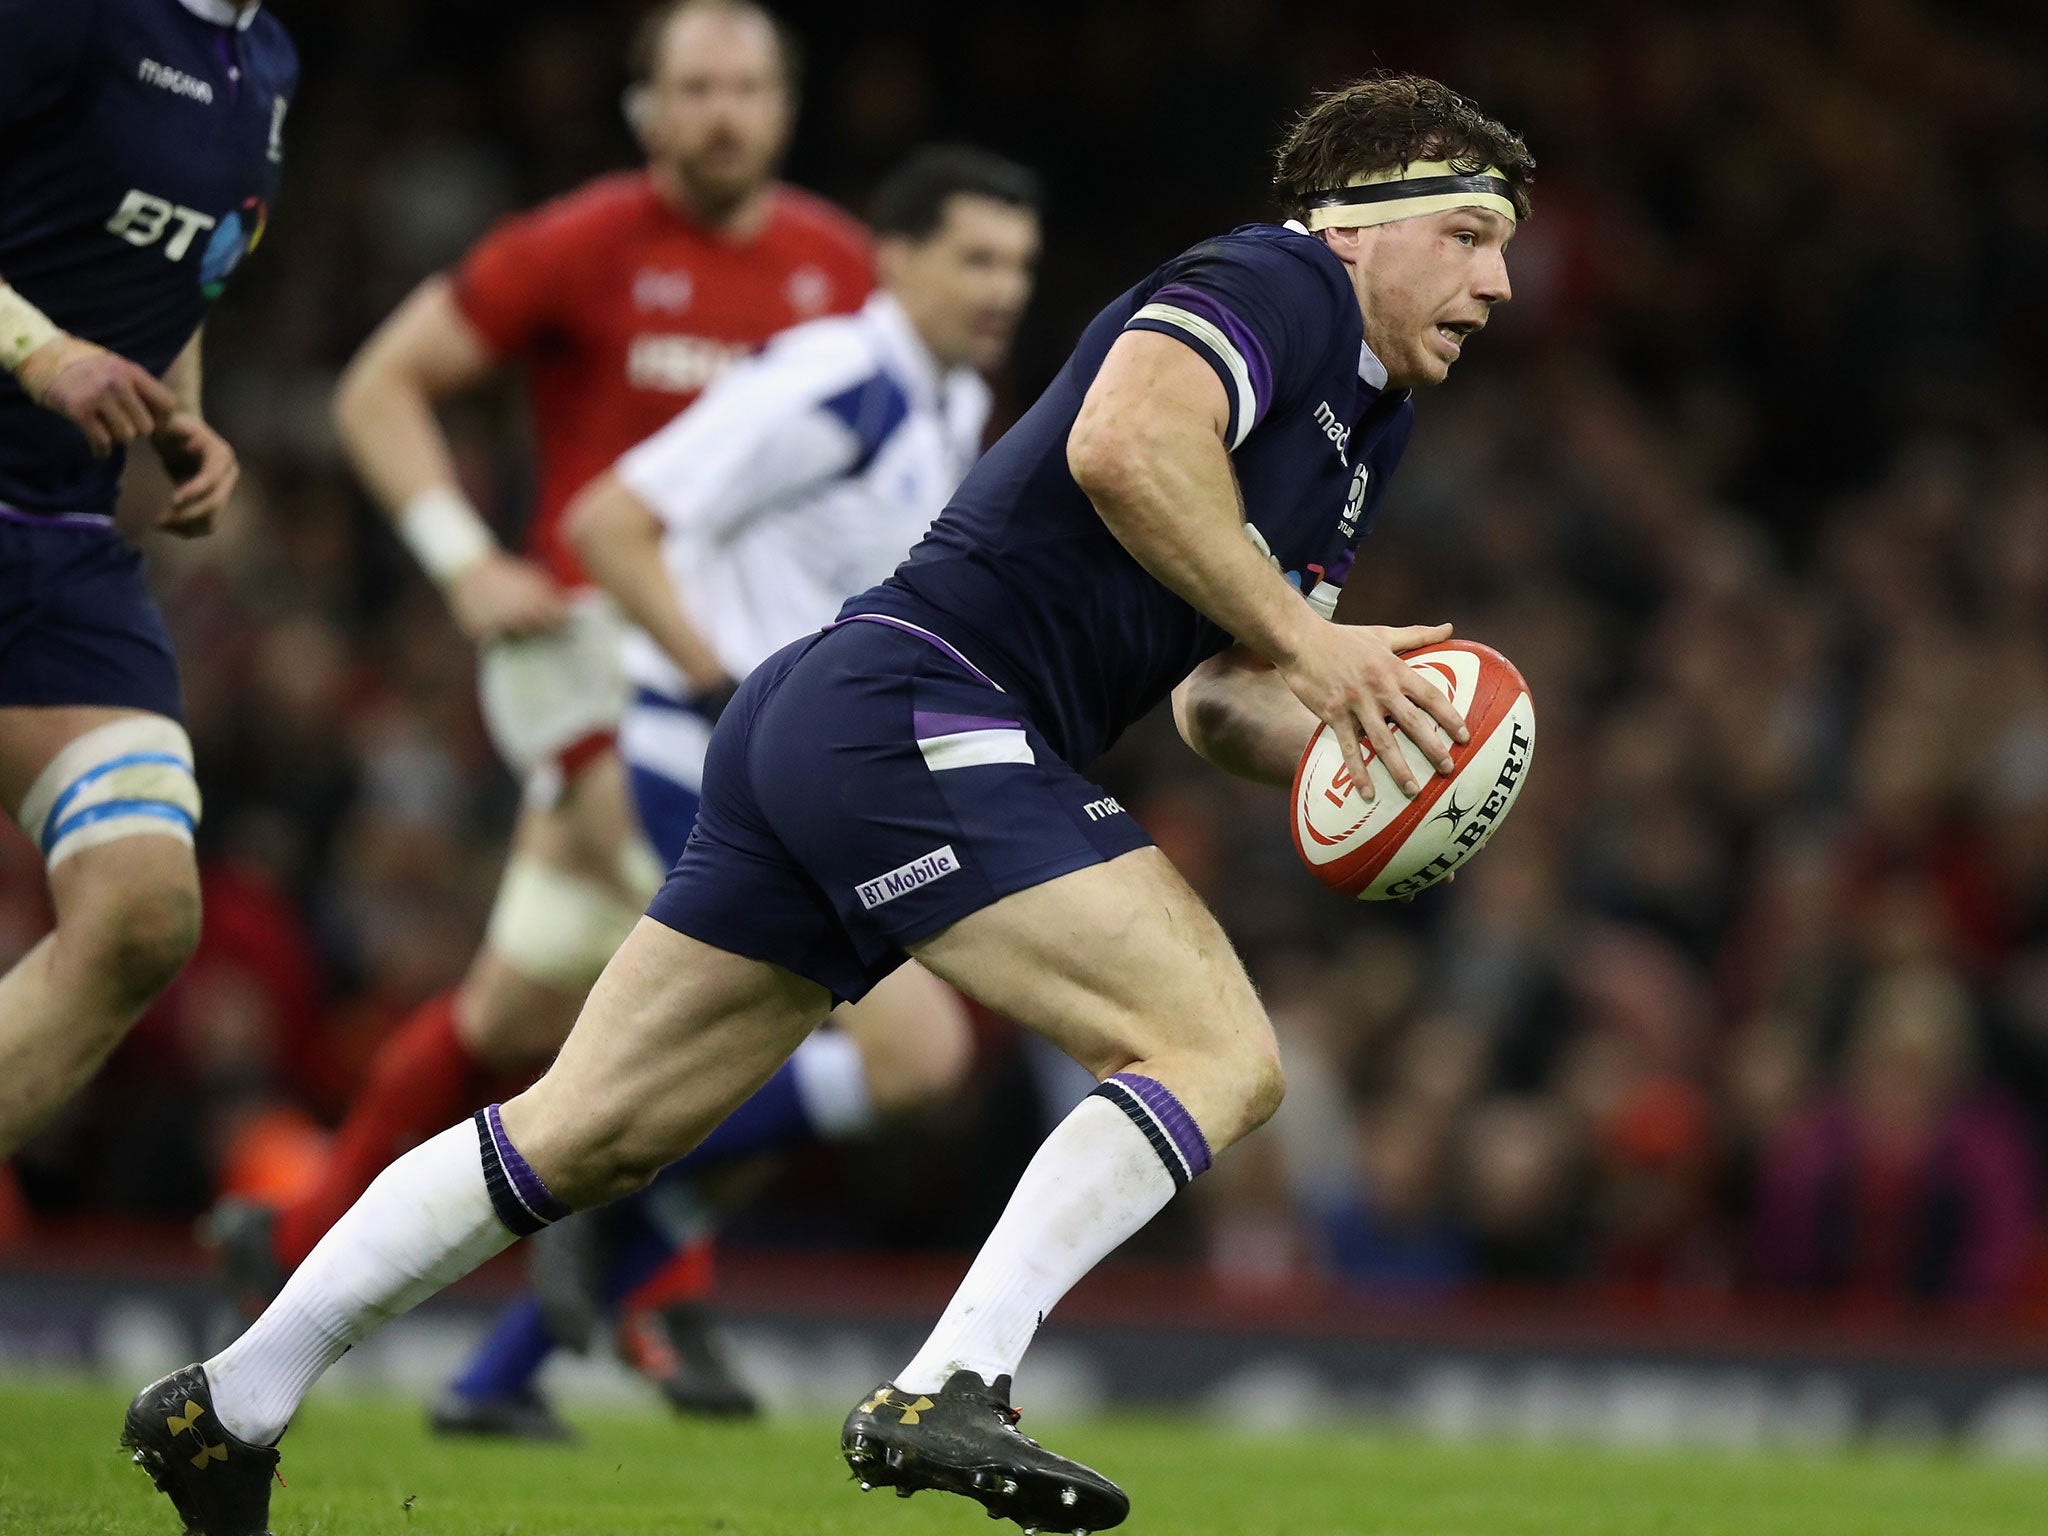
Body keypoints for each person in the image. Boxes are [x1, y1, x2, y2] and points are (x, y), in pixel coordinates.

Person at [126, 72, 1533, 1536]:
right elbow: (1125, 447)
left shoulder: (1370, 429)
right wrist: (1317, 647)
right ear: (1358, 226)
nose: (1499, 280)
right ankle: (954, 1380)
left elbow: (1215, 695)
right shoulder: (1278, 279)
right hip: (926, 705)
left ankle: (227, 1402)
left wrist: (1355, 748)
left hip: (842, 712)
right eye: (1469, 231)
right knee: (1219, 1052)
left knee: (585, 1130)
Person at [204, 3, 898, 1413]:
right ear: (644, 110)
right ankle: (649, 1280)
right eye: (694, 88)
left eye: (748, 86)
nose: (722, 113)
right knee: (756, 964)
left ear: (785, 104)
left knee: (526, 990)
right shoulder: (578, 244)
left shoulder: (843, 270)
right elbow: (382, 388)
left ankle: (286, 1236)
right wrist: (468, 566)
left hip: (739, 675)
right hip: (584, 658)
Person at [435, 144, 1042, 1441]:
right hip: (699, 750)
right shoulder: (835, 380)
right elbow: (608, 521)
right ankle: (585, 1216)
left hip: (813, 773)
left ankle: (495, 1377)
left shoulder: (949, 399)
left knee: (761, 1086)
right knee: (904, 1054)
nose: (1003, 288)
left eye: (1021, 266)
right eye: (976, 258)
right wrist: (722, 688)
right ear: (897, 257)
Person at [0, 0, 294, 1159]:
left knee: (140, 914)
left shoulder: (266, 58)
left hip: (60, 535)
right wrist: (42, 352)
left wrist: (186, 412)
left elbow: (179, 261)